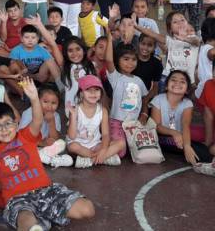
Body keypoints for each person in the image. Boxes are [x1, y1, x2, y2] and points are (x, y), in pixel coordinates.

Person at [0, 79, 95, 230]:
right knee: (25, 220)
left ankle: (45, 216)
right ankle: (38, 224)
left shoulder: (25, 137)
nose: (4, 130)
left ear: (16, 124)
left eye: (7, 124)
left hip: (46, 191)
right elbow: (0, 184)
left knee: (87, 209)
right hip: (19, 200)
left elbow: (37, 120)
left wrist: (34, 98)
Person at [152, 70, 215, 176]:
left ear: (187, 90)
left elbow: (185, 125)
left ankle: (210, 162)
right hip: (161, 137)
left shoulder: (187, 103)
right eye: (173, 80)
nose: (177, 83)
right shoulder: (158, 100)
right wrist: (174, 133)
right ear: (166, 86)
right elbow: (157, 126)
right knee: (195, 151)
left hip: (180, 138)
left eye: (182, 82)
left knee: (204, 152)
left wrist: (187, 146)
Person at [104, 29, 148, 159]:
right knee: (121, 152)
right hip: (117, 122)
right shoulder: (115, 77)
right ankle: (98, 156)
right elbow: (108, 60)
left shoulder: (139, 81)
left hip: (133, 124)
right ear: (118, 60)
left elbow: (144, 100)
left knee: (135, 152)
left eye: (133, 59)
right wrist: (109, 38)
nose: (130, 63)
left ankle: (107, 152)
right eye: (126, 59)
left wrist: (144, 114)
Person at [19, 85, 73, 168]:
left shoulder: (56, 115)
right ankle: (52, 160)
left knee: (61, 143)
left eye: (53, 103)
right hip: (30, 145)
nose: (49, 106)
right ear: (37, 101)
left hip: (45, 148)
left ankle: (42, 157)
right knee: (25, 150)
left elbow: (55, 139)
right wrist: (42, 143)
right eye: (45, 102)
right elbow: (21, 138)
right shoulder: (29, 113)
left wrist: (51, 122)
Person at [59, 36, 97, 116]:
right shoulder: (66, 67)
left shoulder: (91, 66)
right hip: (71, 111)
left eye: (78, 49)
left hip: (90, 111)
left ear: (84, 50)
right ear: (65, 53)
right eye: (70, 50)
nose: (75, 53)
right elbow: (52, 45)